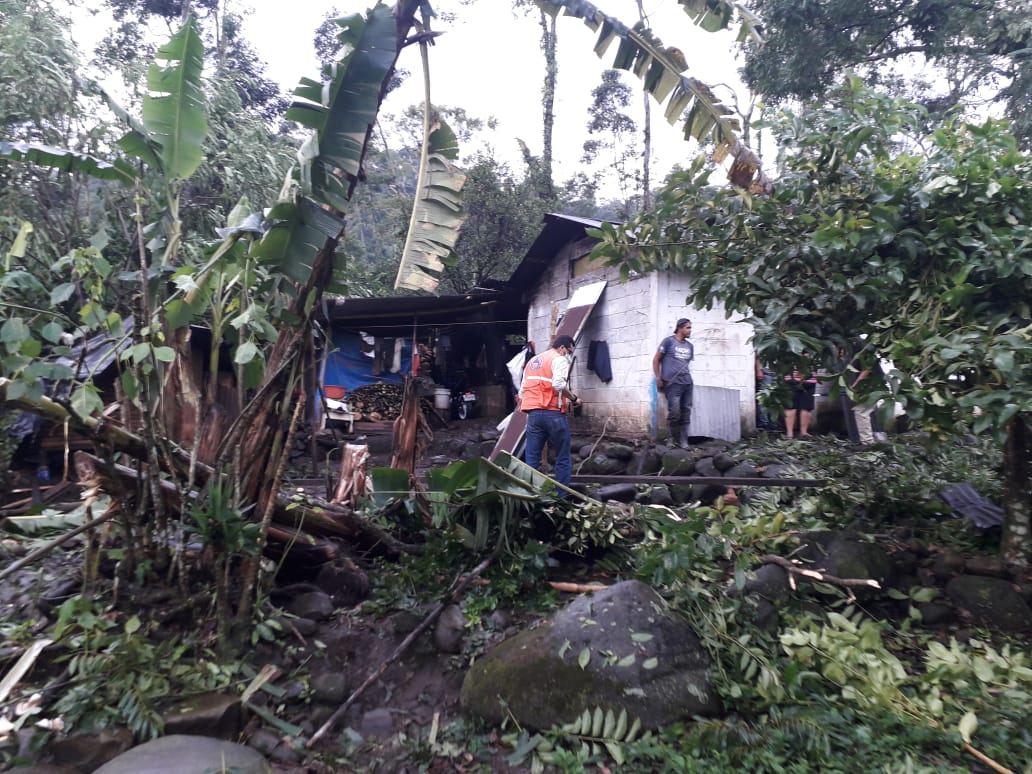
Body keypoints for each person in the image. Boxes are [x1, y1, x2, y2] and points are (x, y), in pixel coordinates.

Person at [519, 335, 581, 493]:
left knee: (532, 458)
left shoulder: (532, 362)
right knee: (563, 457)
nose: (568, 355)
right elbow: (558, 385)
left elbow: (522, 393)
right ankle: (561, 498)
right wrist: (574, 398)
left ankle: (530, 497)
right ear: (562, 348)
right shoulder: (559, 359)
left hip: (533, 415)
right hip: (553, 414)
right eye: (569, 351)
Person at [653, 318, 694, 448]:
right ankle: (671, 439)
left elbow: (685, 364)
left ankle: (683, 441)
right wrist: (658, 378)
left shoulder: (689, 346)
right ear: (680, 328)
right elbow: (656, 359)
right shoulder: (668, 342)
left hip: (687, 383)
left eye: (690, 328)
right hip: (672, 384)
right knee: (674, 412)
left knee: (686, 411)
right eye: (688, 328)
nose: (690, 330)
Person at [784, 367, 817, 438]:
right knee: (791, 406)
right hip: (792, 379)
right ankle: (790, 433)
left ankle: (803, 432)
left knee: (807, 407)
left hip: (809, 380)